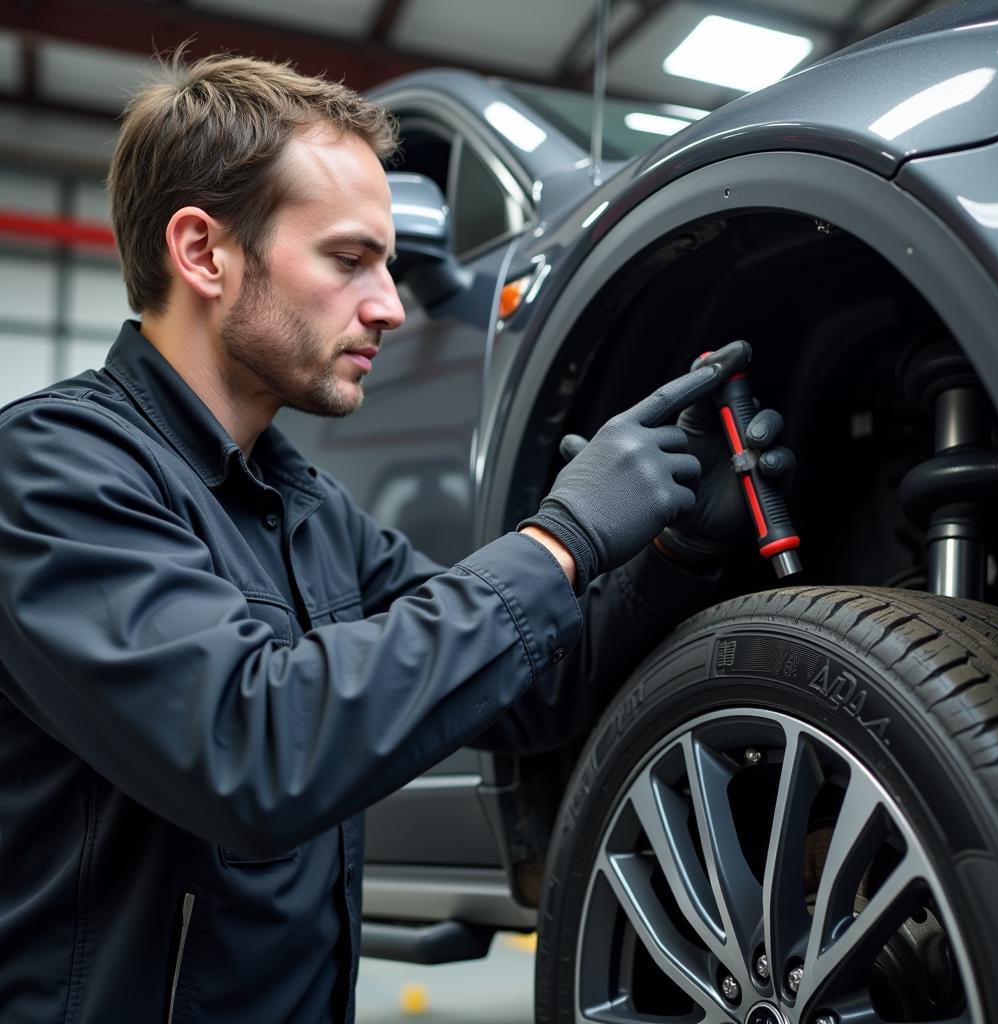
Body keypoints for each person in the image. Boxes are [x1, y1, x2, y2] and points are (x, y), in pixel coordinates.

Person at [0, 54, 791, 1023]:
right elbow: (251, 751)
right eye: (347, 259)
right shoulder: (51, 473)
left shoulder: (301, 505)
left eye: (386, 260)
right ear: (204, 253)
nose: (388, 303)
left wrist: (676, 554)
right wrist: (559, 539)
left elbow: (532, 690)